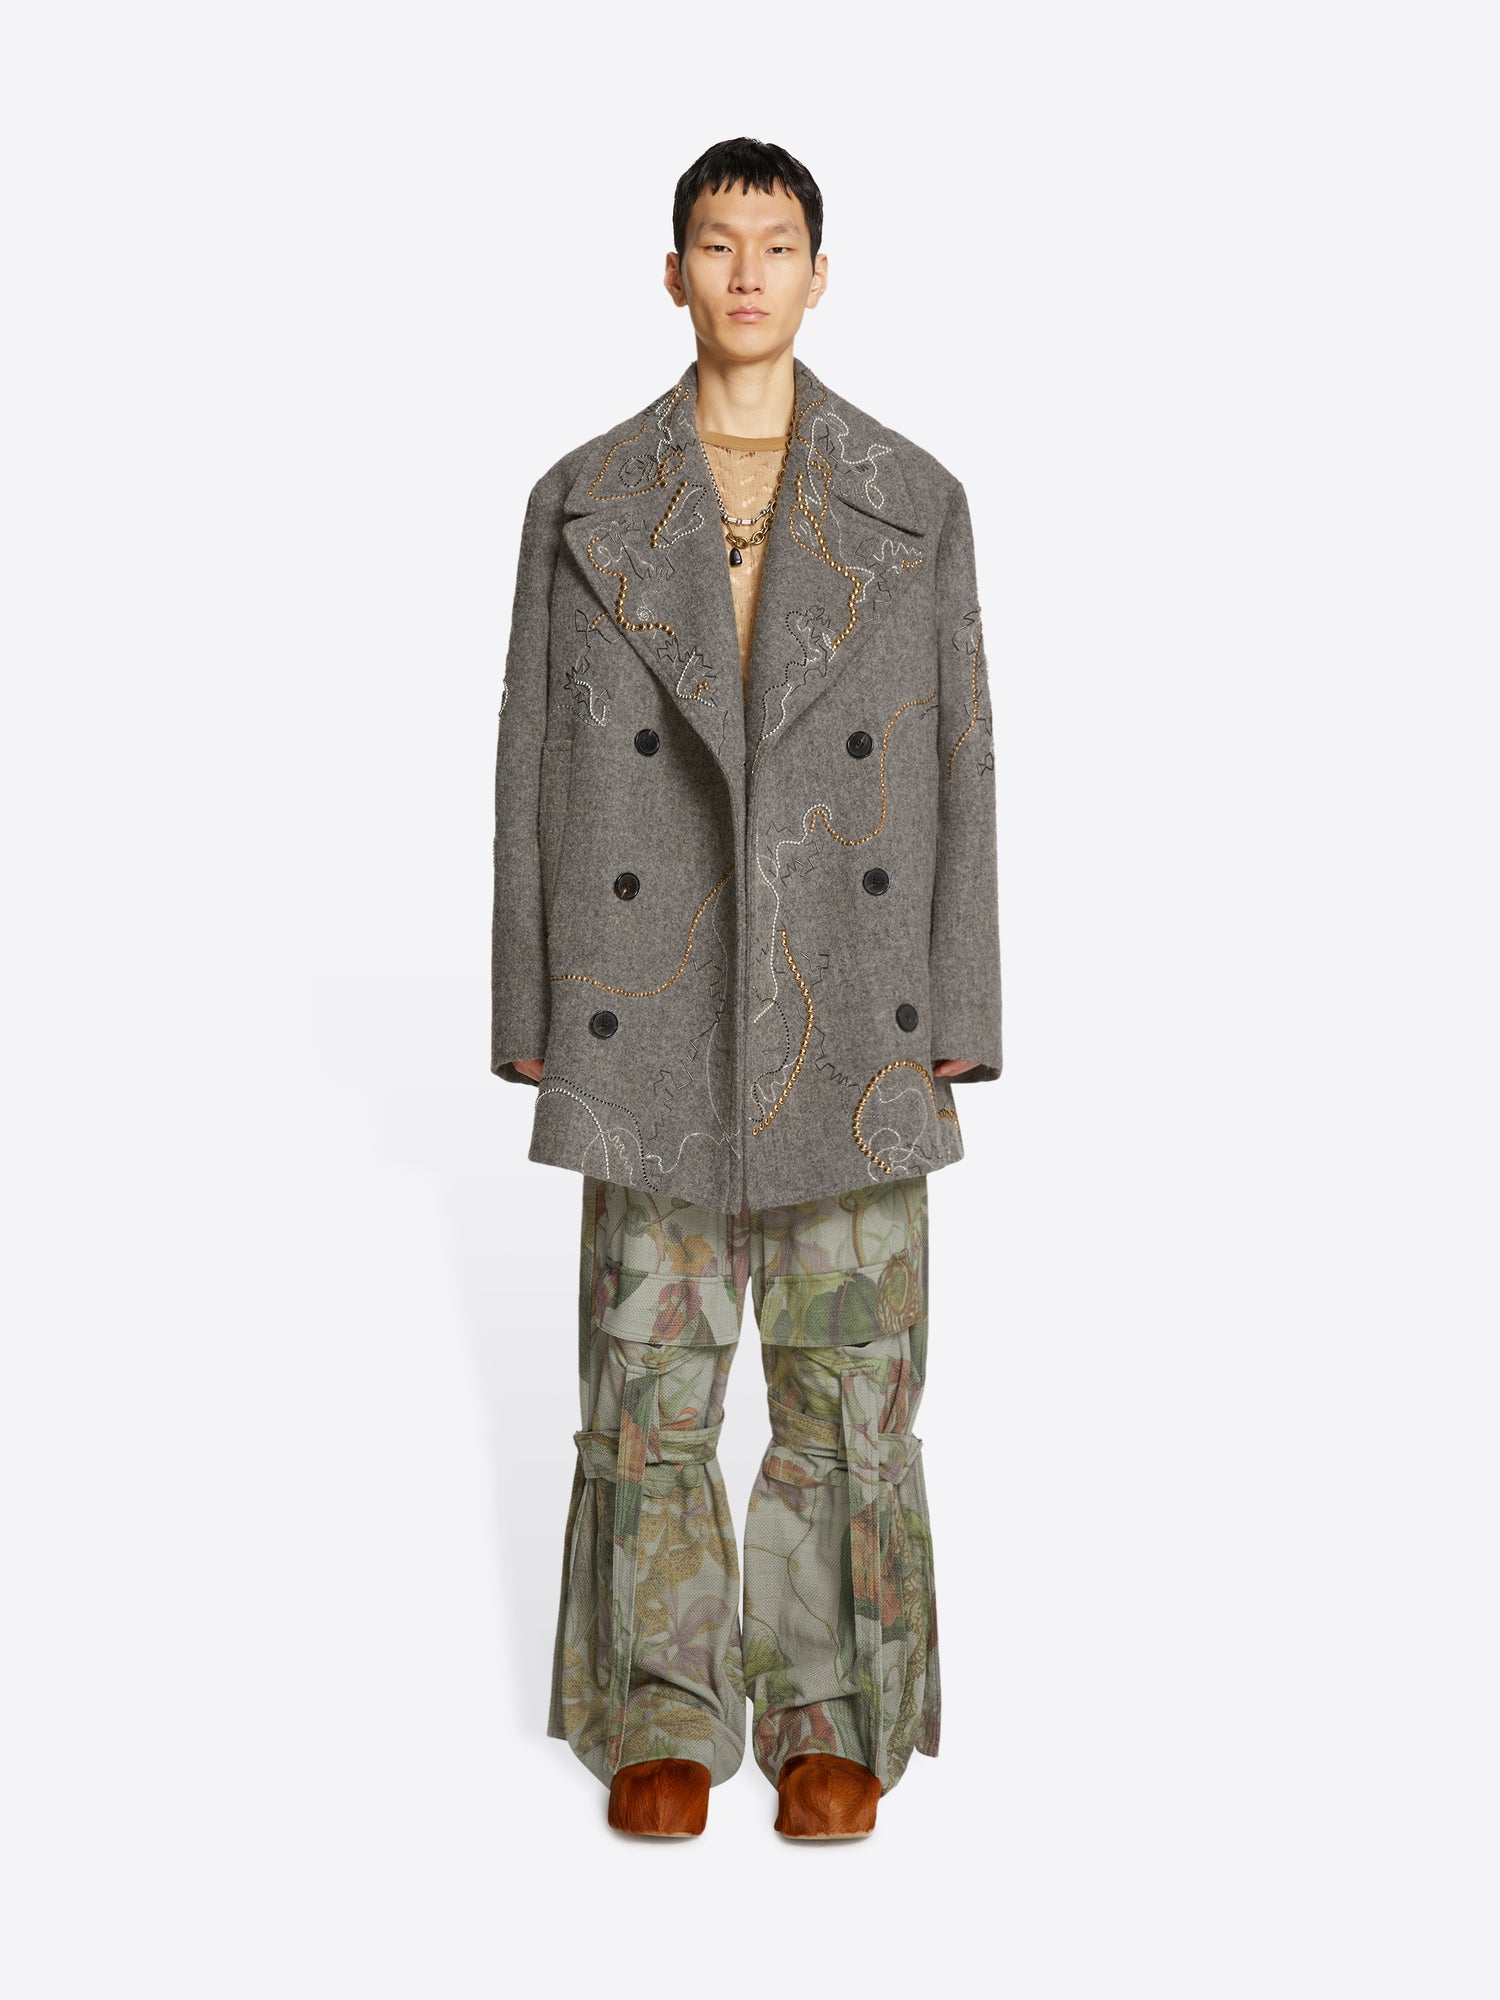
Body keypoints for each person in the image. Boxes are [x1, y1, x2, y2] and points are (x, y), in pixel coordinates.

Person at [491, 137, 1002, 1839]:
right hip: (643, 990)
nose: (747, 275)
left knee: (848, 1381)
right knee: (648, 1377)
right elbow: (526, 763)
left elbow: (967, 759)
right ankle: (660, 1703)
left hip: (850, 990)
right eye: (718, 244)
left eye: (776, 246)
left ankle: (830, 1709)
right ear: (675, 272)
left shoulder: (912, 499)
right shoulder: (583, 499)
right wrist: (531, 1008)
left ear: (819, 274)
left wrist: (962, 1009)